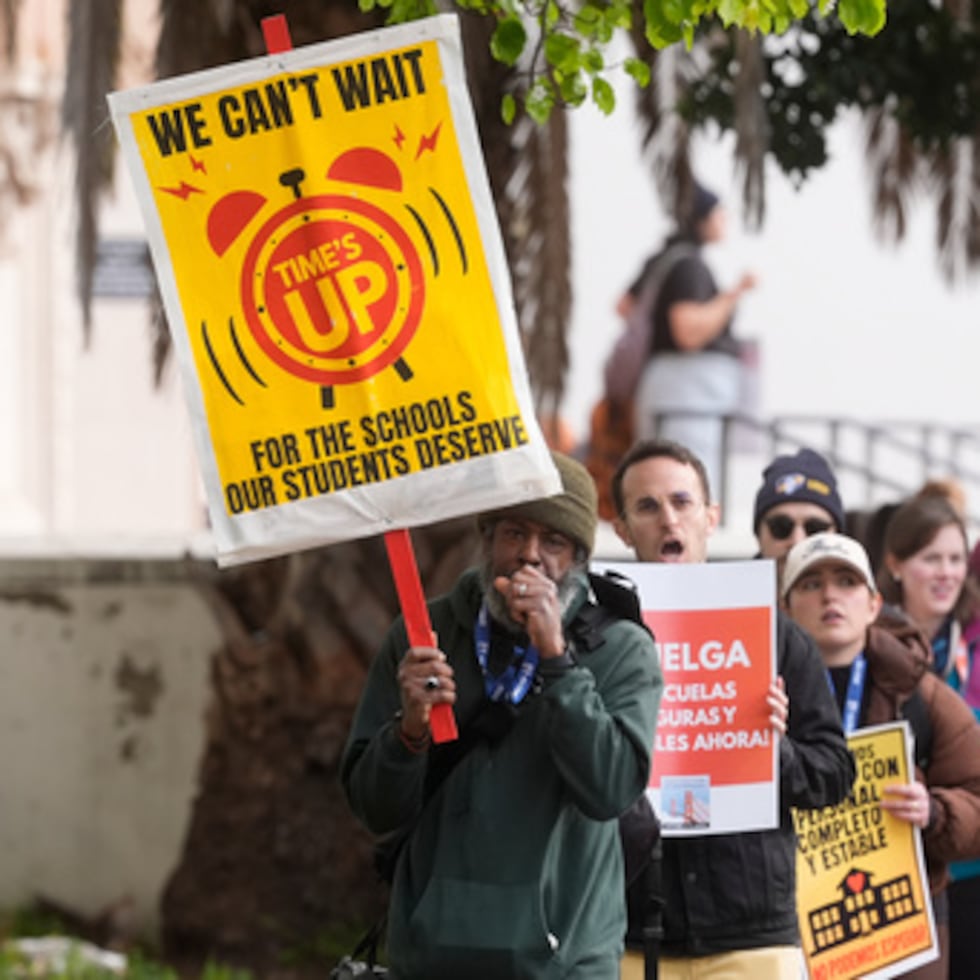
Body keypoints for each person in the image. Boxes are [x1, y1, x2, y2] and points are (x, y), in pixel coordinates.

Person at [340, 452, 663, 979]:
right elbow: (375, 812)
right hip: (431, 959)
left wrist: (558, 661)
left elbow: (610, 789)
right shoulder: (425, 633)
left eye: (552, 542)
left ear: (578, 558)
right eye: (514, 533)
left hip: (565, 965)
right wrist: (409, 733)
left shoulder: (620, 649)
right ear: (487, 539)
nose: (529, 557)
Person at [611, 438, 855, 980]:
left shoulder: (777, 637)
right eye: (647, 507)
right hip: (627, 935)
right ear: (623, 528)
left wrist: (777, 748)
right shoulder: (595, 641)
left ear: (710, 517)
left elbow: (835, 775)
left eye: (682, 501)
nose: (668, 519)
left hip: (752, 941)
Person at [783, 531, 980, 980]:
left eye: (847, 582)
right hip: (794, 928)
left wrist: (935, 812)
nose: (830, 595)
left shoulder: (922, 694)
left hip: (906, 930)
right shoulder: (761, 695)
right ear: (786, 609)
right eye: (810, 585)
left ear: (873, 604)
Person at [878, 492, 980, 980]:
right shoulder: (867, 641)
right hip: (899, 867)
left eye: (956, 558)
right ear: (895, 564)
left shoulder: (974, 641)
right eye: (931, 558)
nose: (946, 572)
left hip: (971, 860)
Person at [619, 182, 757, 496]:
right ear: (702, 218)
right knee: (687, 481)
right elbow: (687, 331)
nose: (725, 221)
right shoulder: (689, 266)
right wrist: (734, 294)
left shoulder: (664, 258)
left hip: (663, 383)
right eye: (719, 214)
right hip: (688, 391)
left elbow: (625, 305)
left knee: (662, 476)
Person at [752, 447, 846, 584]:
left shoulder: (866, 605)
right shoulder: (722, 601)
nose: (797, 541)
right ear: (758, 535)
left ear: (838, 536)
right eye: (781, 527)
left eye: (815, 529)